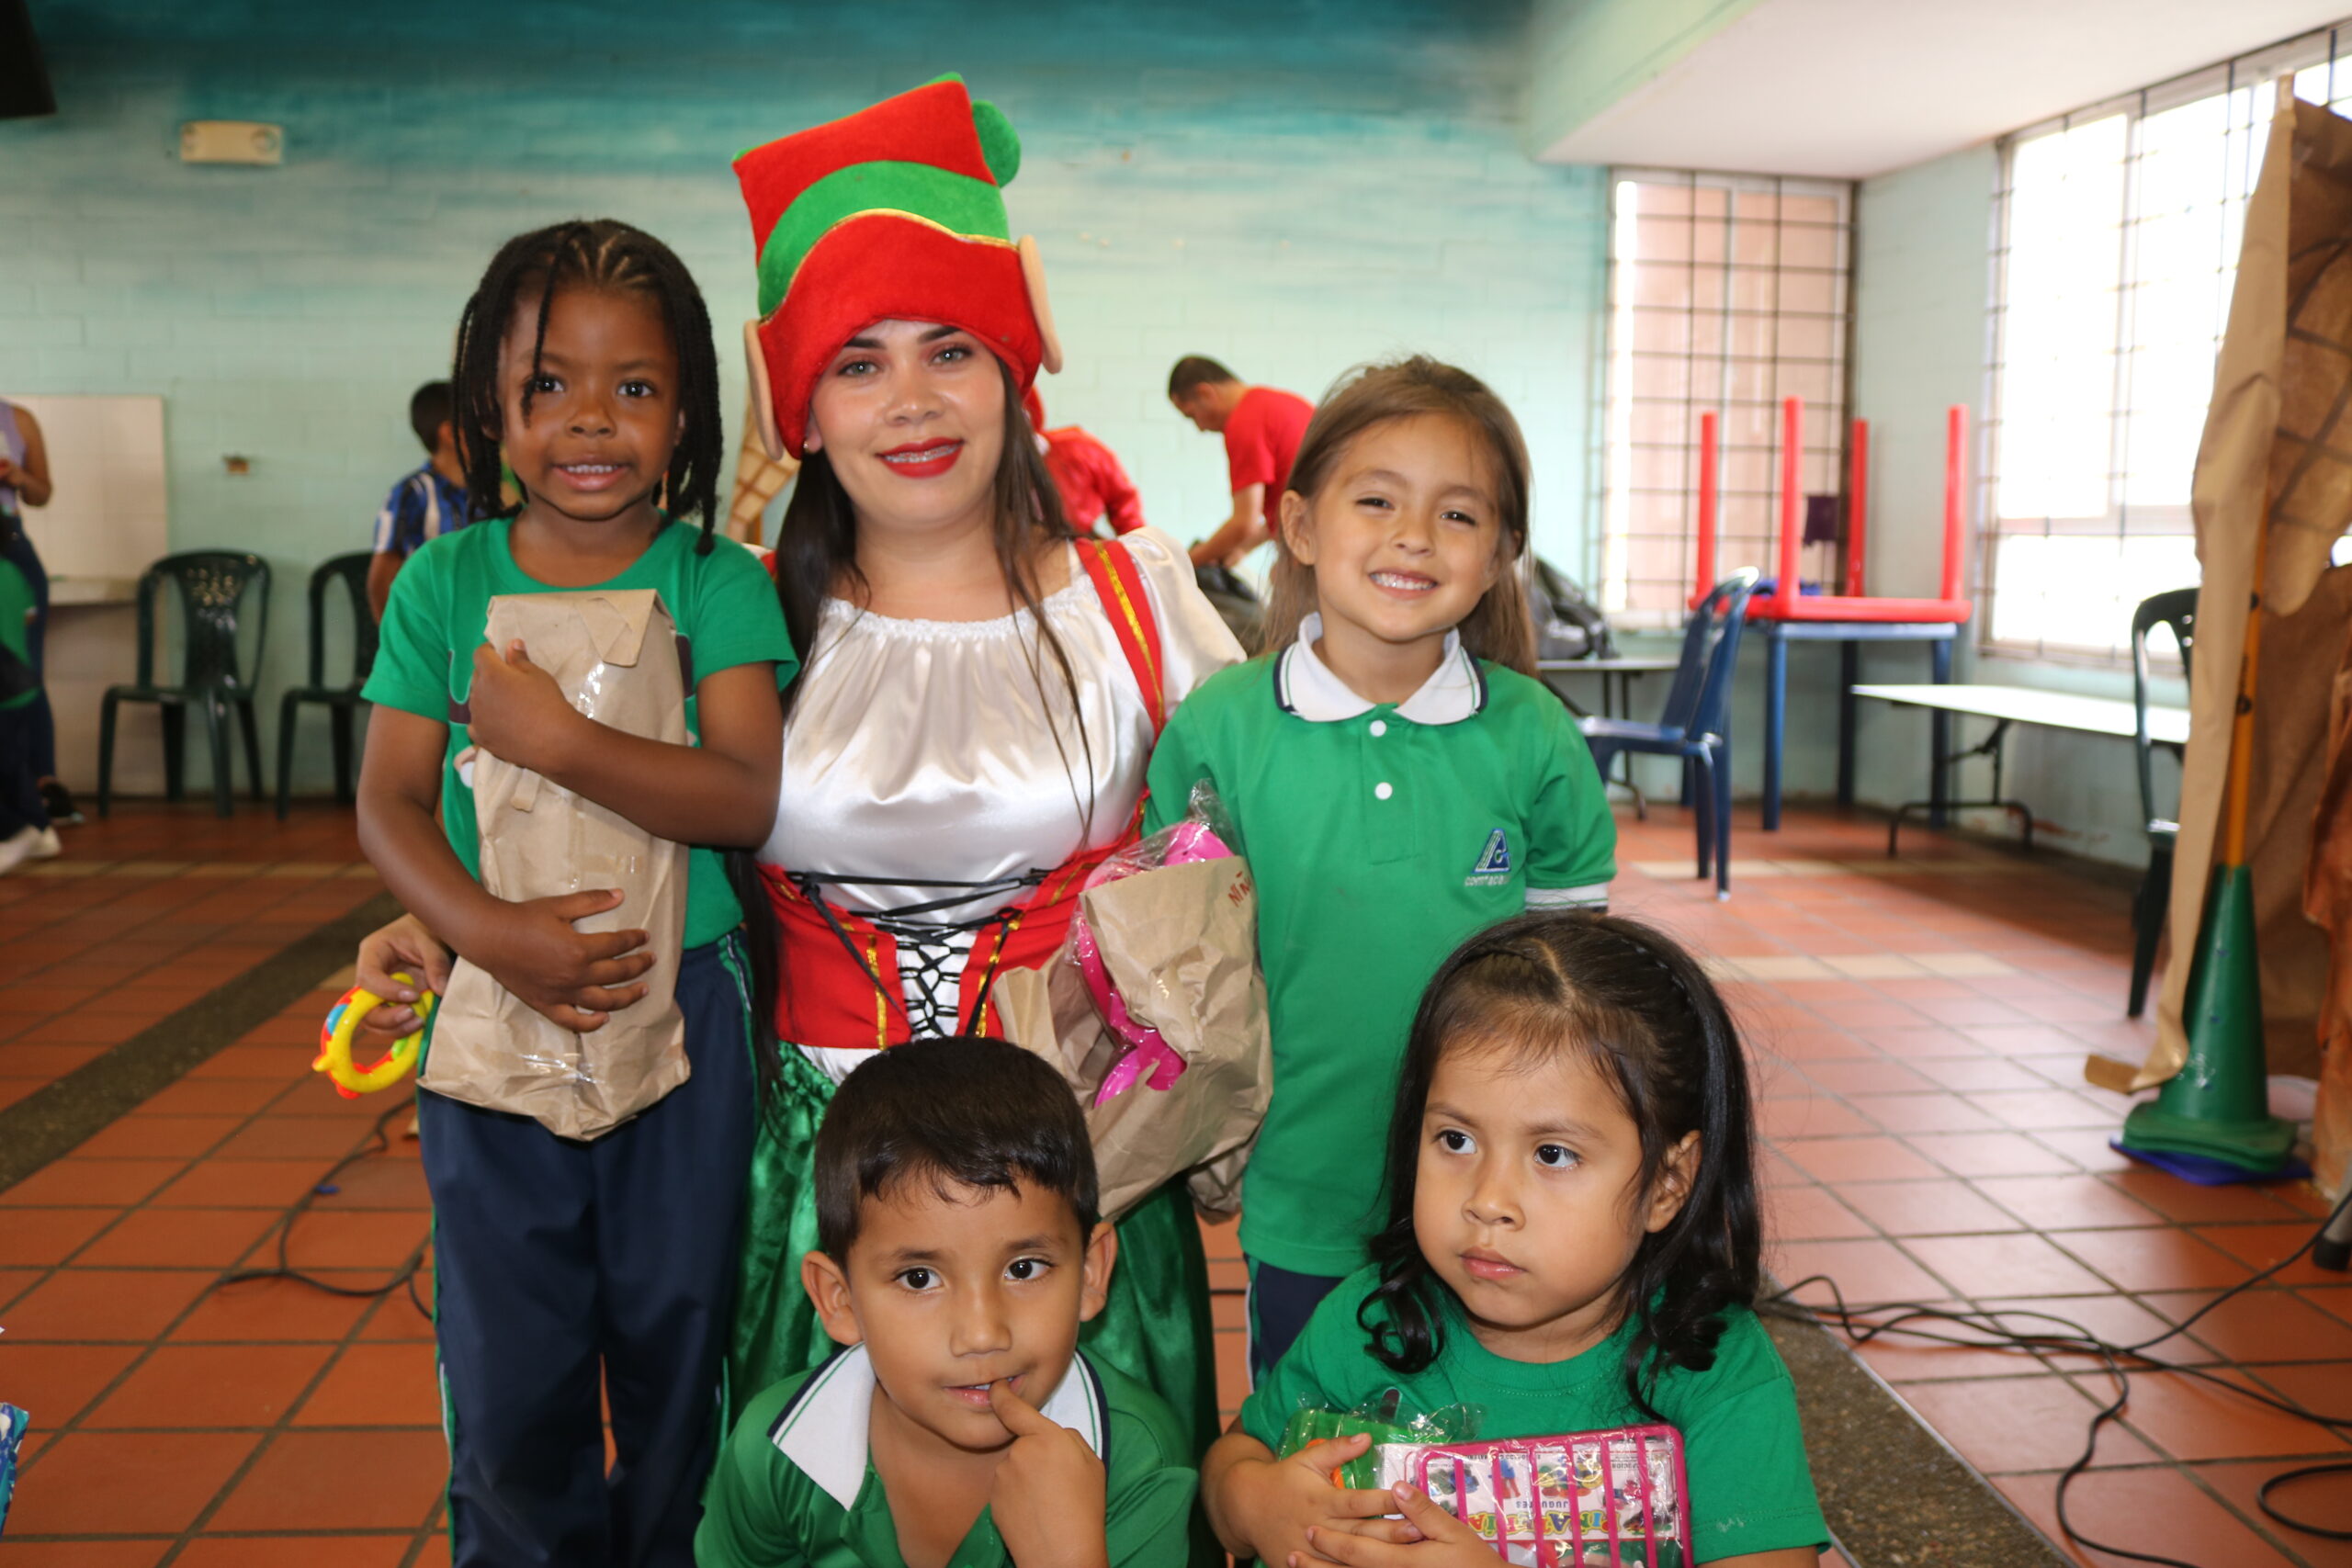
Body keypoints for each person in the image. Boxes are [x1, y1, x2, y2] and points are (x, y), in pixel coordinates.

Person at [723, 77, 1245, 1461]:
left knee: (1104, 1515)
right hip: (824, 1192)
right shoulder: (735, 617)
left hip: (1083, 1176)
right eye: (857, 362)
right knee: (826, 1518)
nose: (910, 402)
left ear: (1016, 368)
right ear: (800, 406)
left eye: (948, 349)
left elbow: (1263, 844)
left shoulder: (1136, 601)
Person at [354, 218, 793, 1568]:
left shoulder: (717, 582)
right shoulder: (443, 583)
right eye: (547, 383)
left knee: (680, 1337)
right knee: (509, 1362)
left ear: (687, 413)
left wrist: (557, 740)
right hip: (495, 1012)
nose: (589, 419)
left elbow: (742, 797)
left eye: (633, 385)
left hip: (687, 1010)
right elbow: (388, 801)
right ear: (488, 406)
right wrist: (487, 933)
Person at [1144, 357, 1617, 1375]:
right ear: (1300, 526)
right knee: (1313, 1436)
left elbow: (1579, 988)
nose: (1414, 536)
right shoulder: (1221, 728)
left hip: (1505, 1204)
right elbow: (1174, 960)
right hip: (1302, 1184)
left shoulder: (1535, 735)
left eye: (1458, 514)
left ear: (1501, 555)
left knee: (1487, 1440)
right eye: (1376, 501)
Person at [1203, 911, 1829, 1568]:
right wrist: (1253, 1504)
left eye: (1553, 1154)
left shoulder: (1715, 1374)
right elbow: (1234, 1457)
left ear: (1667, 1185)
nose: (1488, 1200)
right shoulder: (1369, 1321)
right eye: (1456, 1140)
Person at [696, 1036, 1199, 1568]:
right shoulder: (775, 1450)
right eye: (919, 1278)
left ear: (1091, 1272)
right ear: (839, 1301)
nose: (982, 1335)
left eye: (1023, 1269)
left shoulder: (1139, 1462)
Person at [1166, 356, 1311, 571]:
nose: (1200, 428)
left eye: (1192, 415)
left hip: (1313, 546)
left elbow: (1244, 523)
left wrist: (1183, 563)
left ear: (1205, 393)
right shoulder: (1283, 403)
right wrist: (1243, 548)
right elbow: (1288, 510)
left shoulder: (1244, 422)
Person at [0, 398, 73, 826]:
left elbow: (42, 494)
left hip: (9, 543)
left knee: (23, 673)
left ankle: (42, 784)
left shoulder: (17, 418)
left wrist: (19, 476)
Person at [367, 379, 473, 621]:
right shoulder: (411, 493)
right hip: (430, 623)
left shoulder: (491, 491)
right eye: (477, 424)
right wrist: (392, 636)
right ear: (450, 433)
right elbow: (381, 577)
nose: (491, 433)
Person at [1023, 386, 1145, 537]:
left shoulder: (1078, 450)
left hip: (1080, 542)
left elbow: (1124, 501)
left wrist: (1133, 545)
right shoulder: (999, 472)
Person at [0, 553, 53, 874]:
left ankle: (14, 831)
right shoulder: (12, 570)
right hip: (20, 688)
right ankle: (40, 830)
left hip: (3, 685)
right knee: (12, 766)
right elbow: (30, 616)